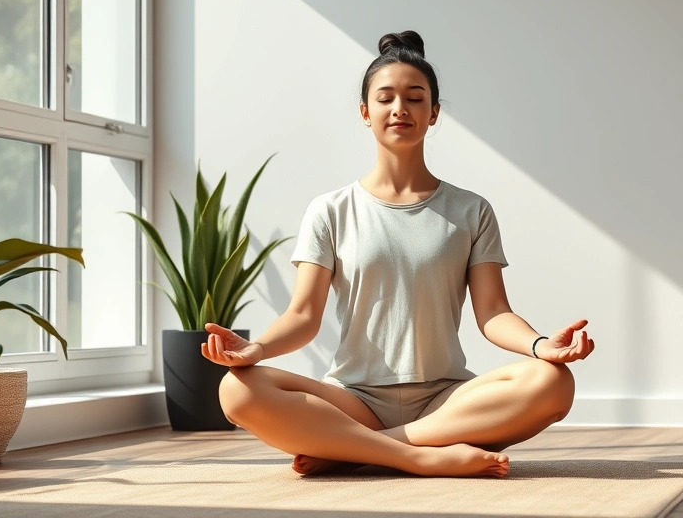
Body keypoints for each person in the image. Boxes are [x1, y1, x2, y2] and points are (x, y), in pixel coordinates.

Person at [201, 30, 595, 479]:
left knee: (553, 381)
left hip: (447, 403)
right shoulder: (330, 210)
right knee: (236, 391)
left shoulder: (471, 210)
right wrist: (257, 348)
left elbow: (493, 313)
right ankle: (420, 456)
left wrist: (541, 346)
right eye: (385, 98)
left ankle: (359, 450)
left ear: (434, 113)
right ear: (365, 113)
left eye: (415, 98)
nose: (400, 108)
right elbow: (302, 316)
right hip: (354, 400)